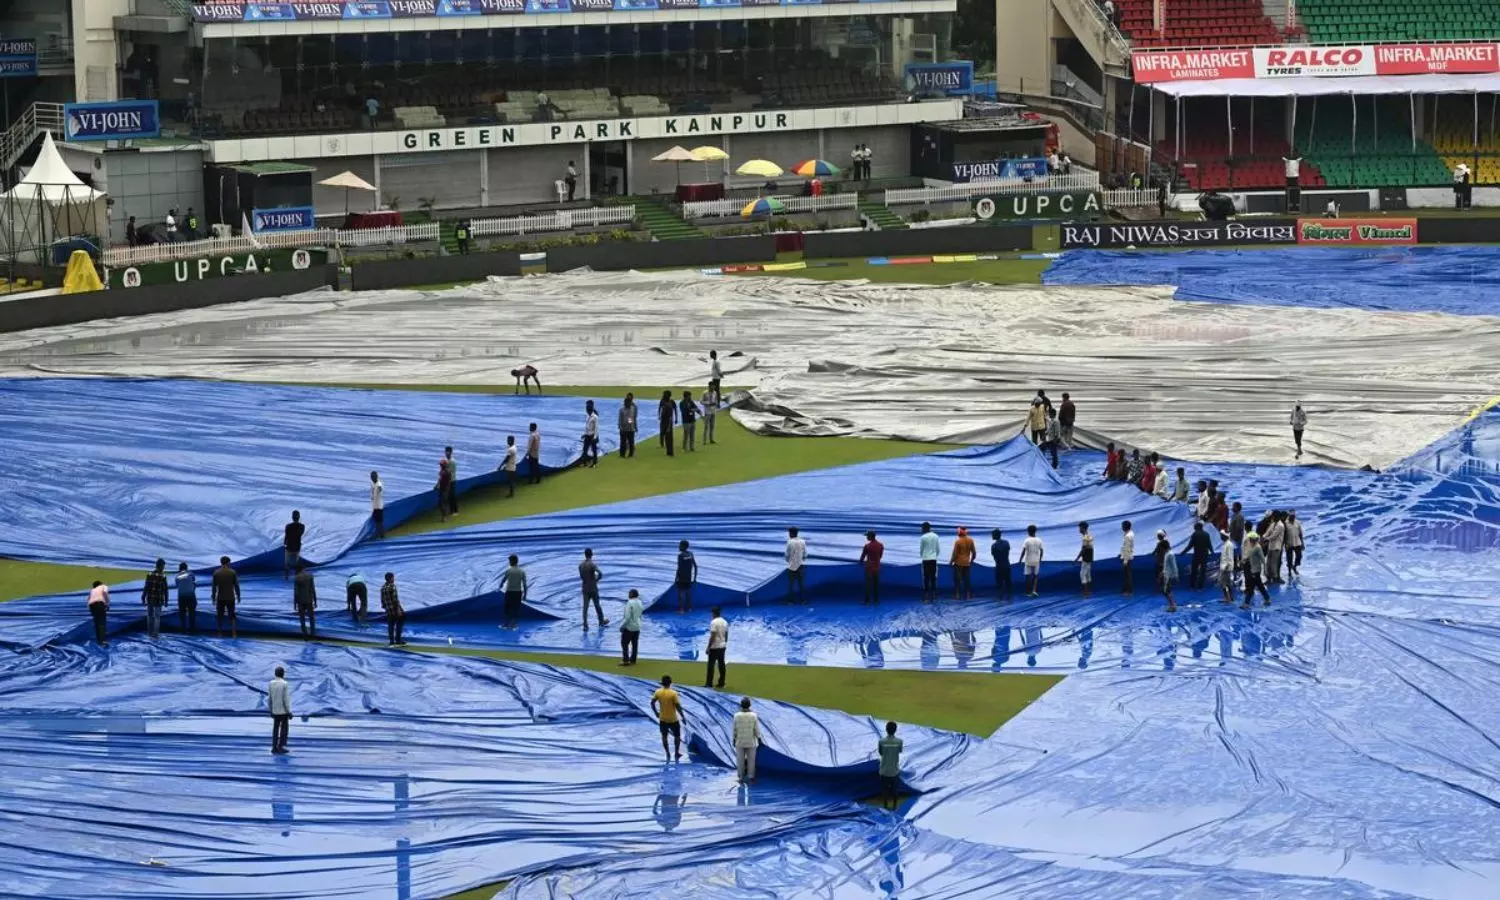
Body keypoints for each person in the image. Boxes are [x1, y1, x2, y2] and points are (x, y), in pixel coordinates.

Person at [651, 674, 685, 762]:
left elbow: (652, 703)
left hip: (662, 719)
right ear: (670, 683)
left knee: (664, 736)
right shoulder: (673, 693)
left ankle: (667, 753)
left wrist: (656, 713)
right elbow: (678, 706)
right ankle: (677, 752)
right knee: (677, 736)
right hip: (673, 719)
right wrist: (683, 717)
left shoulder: (658, 692)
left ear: (662, 683)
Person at [732, 698, 761, 784]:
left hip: (740, 741)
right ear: (749, 705)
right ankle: (751, 777)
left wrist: (733, 739)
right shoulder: (753, 715)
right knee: (751, 760)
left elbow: (734, 729)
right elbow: (757, 729)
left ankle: (741, 777)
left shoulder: (736, 715)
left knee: (740, 760)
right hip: (751, 742)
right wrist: (759, 738)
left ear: (741, 705)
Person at [141, 558, 169, 639]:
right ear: (161, 566)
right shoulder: (163, 576)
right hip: (158, 599)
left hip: (150, 597)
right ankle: (155, 634)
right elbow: (165, 589)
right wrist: (166, 600)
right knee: (157, 617)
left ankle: (149, 633)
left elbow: (146, 587)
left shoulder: (149, 574)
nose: (164, 568)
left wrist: (143, 597)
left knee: (149, 615)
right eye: (163, 566)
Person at [212, 556, 240, 638]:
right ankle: (234, 633)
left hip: (220, 597)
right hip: (230, 597)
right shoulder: (232, 572)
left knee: (219, 616)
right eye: (230, 562)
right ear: (228, 562)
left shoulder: (216, 573)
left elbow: (214, 587)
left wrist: (213, 598)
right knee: (232, 616)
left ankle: (220, 633)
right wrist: (238, 596)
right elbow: (236, 586)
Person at [579, 548, 608, 629]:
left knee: (585, 607)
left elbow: (581, 577)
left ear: (585, 555)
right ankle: (601, 621)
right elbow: (600, 573)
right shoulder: (592, 564)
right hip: (593, 588)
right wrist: (596, 579)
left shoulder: (580, 565)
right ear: (592, 554)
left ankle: (585, 625)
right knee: (597, 605)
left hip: (585, 588)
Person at [878, 721, 903, 810]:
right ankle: (895, 806)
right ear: (895, 730)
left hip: (884, 771)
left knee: (884, 790)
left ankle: (885, 806)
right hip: (894, 771)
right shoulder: (899, 741)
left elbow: (881, 753)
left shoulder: (881, 741)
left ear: (886, 729)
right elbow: (900, 751)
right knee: (895, 790)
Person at [1241, 534, 1271, 608]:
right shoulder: (1253, 546)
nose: (1250, 540)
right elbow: (1249, 556)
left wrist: (1265, 569)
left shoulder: (1257, 547)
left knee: (1251, 587)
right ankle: (1267, 598)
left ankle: (1246, 603)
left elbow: (1263, 559)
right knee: (1259, 585)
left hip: (1255, 570)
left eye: (1251, 539)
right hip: (1253, 569)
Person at [501, 554, 528, 629]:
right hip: (518, 592)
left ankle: (505, 625)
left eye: (509, 561)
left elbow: (503, 581)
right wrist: (525, 595)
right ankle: (513, 625)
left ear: (511, 562)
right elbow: (525, 584)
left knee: (507, 608)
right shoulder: (521, 571)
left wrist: (500, 586)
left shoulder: (508, 571)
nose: (509, 562)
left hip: (509, 592)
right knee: (516, 609)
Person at [269, 667, 292, 754]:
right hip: (283, 711)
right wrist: (288, 711)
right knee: (284, 729)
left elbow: (270, 698)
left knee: (275, 728)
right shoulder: (284, 684)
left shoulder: (271, 683)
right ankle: (281, 746)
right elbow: (285, 699)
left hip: (275, 710)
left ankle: (274, 747)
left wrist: (270, 709)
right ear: (283, 674)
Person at [705, 606, 729, 688]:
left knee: (711, 665)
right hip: (722, 646)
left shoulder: (713, 622)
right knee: (721, 664)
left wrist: (708, 647)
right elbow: (726, 635)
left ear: (713, 613)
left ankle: (709, 683)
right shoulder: (725, 622)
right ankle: (721, 683)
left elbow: (713, 635)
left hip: (715, 647)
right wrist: (724, 643)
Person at [951, 526, 976, 600]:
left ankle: (958, 594)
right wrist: (971, 561)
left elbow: (955, 554)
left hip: (958, 563)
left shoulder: (958, 541)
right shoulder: (970, 540)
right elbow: (974, 553)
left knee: (957, 579)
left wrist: (951, 562)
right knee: (967, 579)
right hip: (966, 563)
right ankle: (968, 595)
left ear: (959, 533)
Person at [293, 563, 317, 638]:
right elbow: (313, 589)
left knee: (302, 618)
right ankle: (312, 634)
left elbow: (296, 592)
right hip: (309, 600)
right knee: (311, 617)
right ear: (304, 569)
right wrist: (315, 601)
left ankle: (305, 635)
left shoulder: (296, 578)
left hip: (300, 601)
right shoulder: (310, 576)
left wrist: (295, 604)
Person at [381, 571, 405, 646]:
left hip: (389, 610)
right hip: (394, 609)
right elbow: (395, 599)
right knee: (400, 622)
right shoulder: (392, 586)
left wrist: (386, 608)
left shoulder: (383, 588)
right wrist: (399, 609)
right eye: (393, 577)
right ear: (391, 578)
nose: (394, 579)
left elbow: (382, 601)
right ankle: (398, 640)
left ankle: (391, 641)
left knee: (390, 625)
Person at [860, 530, 884, 605]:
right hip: (877, 567)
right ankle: (876, 600)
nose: (866, 537)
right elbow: (880, 556)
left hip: (869, 568)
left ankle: (867, 601)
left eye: (867, 536)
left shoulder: (867, 546)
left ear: (870, 536)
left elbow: (863, 557)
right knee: (876, 585)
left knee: (868, 585)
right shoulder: (880, 545)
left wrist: (860, 562)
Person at [620, 588, 643, 665]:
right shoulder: (640, 602)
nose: (628, 595)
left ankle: (626, 660)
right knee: (635, 644)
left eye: (629, 593)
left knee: (624, 643)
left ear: (632, 594)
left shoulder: (629, 603)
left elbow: (627, 618)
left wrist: (623, 626)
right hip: (637, 626)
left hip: (629, 627)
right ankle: (633, 659)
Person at [918, 521, 940, 603]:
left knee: (926, 578)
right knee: (933, 577)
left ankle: (926, 596)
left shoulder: (923, 537)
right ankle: (934, 595)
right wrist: (935, 555)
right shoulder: (936, 536)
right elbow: (938, 549)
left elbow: (921, 549)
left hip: (926, 559)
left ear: (925, 528)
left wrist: (923, 556)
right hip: (933, 559)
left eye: (922, 528)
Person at [1157, 531, 1178, 612]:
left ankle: (1173, 606)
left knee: (1166, 591)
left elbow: (1173, 566)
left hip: (1168, 575)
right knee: (1166, 591)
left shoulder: (1169, 555)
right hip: (1166, 574)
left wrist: (1175, 575)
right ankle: (1172, 605)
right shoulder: (1167, 554)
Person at [785, 526, 807, 604]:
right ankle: (803, 600)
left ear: (791, 533)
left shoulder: (789, 542)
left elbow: (787, 555)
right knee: (801, 584)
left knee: (791, 584)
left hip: (792, 566)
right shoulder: (802, 541)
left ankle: (790, 601)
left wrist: (789, 561)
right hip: (801, 565)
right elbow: (805, 554)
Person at [1020, 525, 1044, 598]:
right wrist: (1040, 559)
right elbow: (1042, 550)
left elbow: (1024, 551)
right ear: (1035, 531)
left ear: (1029, 531)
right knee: (1035, 576)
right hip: (1036, 560)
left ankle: (1028, 592)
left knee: (1028, 576)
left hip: (1028, 560)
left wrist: (1020, 559)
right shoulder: (1039, 540)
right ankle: (1034, 591)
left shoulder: (1027, 540)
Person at [1187, 522, 1213, 590]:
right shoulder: (1206, 534)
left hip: (1197, 555)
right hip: (1204, 555)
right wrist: (1212, 552)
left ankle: (1192, 585)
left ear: (1197, 527)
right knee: (1202, 571)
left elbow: (1190, 546)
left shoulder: (1194, 534)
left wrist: (1183, 552)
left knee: (1194, 570)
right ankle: (1200, 587)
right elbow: (1209, 545)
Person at [1263, 512, 1287, 585]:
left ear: (1277, 517)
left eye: (1273, 516)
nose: (1272, 518)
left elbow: (1274, 535)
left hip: (1276, 546)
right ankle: (1269, 577)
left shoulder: (1281, 525)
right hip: (1271, 546)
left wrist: (1266, 539)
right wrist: (1264, 537)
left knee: (1274, 563)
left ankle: (1276, 577)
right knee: (1268, 563)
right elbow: (1268, 532)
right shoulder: (1273, 524)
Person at [174, 562, 198, 634]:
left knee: (182, 614)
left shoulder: (177, 576)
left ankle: (183, 630)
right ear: (186, 568)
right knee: (192, 613)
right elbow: (194, 584)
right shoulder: (191, 574)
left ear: (179, 568)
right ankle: (192, 630)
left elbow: (178, 586)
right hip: (191, 596)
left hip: (181, 596)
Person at [675, 540, 697, 612]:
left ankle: (681, 610)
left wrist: (676, 578)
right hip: (689, 577)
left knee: (681, 594)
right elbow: (695, 566)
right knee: (688, 593)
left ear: (684, 546)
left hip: (681, 578)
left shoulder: (680, 555)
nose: (679, 547)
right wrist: (694, 578)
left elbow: (679, 567)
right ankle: (689, 608)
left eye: (680, 545)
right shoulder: (691, 554)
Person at [87, 580, 110, 646]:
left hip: (91, 606)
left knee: (97, 622)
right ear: (100, 584)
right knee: (102, 622)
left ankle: (99, 640)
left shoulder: (92, 590)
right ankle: (103, 641)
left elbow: (88, 599)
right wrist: (108, 603)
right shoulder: (103, 586)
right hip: (99, 604)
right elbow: (105, 593)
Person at [283, 510, 305, 579]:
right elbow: (299, 534)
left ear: (292, 517)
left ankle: (287, 577)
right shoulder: (302, 526)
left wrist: (285, 543)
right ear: (299, 517)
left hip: (289, 547)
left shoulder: (288, 526)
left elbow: (286, 537)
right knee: (296, 564)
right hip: (297, 547)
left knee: (287, 564)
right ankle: (296, 577)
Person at [991, 528, 1012, 599]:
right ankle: (1009, 597)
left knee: (999, 583)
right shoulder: (1006, 543)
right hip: (1007, 564)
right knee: (1008, 582)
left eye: (992, 535)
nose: (992, 536)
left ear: (995, 535)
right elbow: (1007, 552)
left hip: (999, 566)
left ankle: (1000, 598)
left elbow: (994, 556)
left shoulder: (994, 546)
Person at [1217, 530, 1237, 604]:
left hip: (1226, 567)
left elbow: (1229, 557)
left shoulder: (1229, 545)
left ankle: (1227, 598)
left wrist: (1226, 566)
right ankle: (1230, 598)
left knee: (1223, 583)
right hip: (1225, 566)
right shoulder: (1226, 544)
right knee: (1228, 583)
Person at [1075, 522, 1093, 598]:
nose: (1079, 529)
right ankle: (1089, 591)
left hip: (1086, 558)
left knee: (1082, 574)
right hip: (1089, 557)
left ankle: (1086, 593)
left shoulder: (1085, 537)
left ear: (1083, 528)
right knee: (1088, 574)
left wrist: (1077, 558)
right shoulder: (1089, 536)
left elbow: (1083, 549)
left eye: (1080, 528)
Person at [618, 392, 638, 458]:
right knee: (623, 442)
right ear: (625, 403)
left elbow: (633, 417)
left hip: (630, 428)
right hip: (623, 429)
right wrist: (620, 426)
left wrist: (635, 426)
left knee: (631, 442)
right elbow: (620, 419)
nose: (628, 404)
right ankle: (622, 454)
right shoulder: (622, 410)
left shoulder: (633, 408)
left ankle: (630, 454)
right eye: (626, 403)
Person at [1285, 510, 1304, 577]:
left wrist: (1302, 543)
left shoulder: (1298, 522)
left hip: (1297, 543)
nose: (1293, 517)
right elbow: (1284, 535)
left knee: (1299, 556)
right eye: (1291, 516)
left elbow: (1300, 533)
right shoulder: (1285, 523)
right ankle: (1289, 571)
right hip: (1289, 544)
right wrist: (1285, 544)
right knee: (1289, 559)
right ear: (1289, 516)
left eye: (1294, 516)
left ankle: (1295, 566)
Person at [658, 390, 677, 456]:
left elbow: (670, 417)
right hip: (664, 422)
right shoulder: (665, 403)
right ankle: (668, 451)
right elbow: (661, 410)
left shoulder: (668, 405)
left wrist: (669, 426)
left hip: (667, 423)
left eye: (664, 394)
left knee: (669, 438)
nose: (663, 396)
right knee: (666, 437)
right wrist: (660, 416)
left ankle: (670, 452)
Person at [582, 401, 600, 468]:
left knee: (594, 450)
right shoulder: (587, 416)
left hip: (592, 436)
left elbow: (596, 428)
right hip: (587, 435)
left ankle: (594, 463)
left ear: (588, 410)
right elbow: (587, 427)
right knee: (585, 449)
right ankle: (585, 463)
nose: (586, 411)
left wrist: (595, 437)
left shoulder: (595, 417)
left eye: (586, 410)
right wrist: (584, 434)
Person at [1228, 502, 1246, 569]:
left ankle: (1240, 564)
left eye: (1233, 506)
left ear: (1237, 508)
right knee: (1234, 550)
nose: (1232, 508)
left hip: (1237, 536)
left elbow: (1239, 528)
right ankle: (1235, 564)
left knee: (1238, 550)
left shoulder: (1239, 516)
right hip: (1232, 536)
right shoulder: (1234, 515)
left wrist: (1235, 536)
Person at [1119, 520, 1135, 595]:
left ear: (1125, 526)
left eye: (1122, 526)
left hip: (1127, 557)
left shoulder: (1128, 536)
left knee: (1128, 575)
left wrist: (1125, 560)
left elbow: (1127, 548)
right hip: (1126, 556)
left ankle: (1129, 591)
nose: (1121, 527)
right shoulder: (1128, 534)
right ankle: (1126, 589)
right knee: (1127, 575)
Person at [443, 446, 460, 514]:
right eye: (445, 451)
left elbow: (450, 472)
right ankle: (451, 510)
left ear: (450, 452)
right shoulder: (446, 460)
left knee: (452, 496)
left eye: (447, 452)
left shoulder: (452, 461)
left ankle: (455, 511)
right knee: (449, 496)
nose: (446, 453)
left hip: (451, 481)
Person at [369, 470, 385, 539]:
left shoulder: (378, 484)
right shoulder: (374, 484)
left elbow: (380, 488)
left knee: (379, 522)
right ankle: (378, 534)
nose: (372, 478)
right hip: (375, 506)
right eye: (371, 477)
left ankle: (381, 535)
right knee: (377, 522)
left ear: (376, 477)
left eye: (373, 477)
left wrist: (380, 489)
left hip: (379, 507)